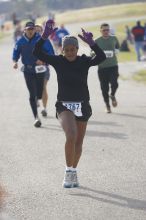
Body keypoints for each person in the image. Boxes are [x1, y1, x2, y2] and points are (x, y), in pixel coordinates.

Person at [33, 20, 106, 188]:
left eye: (73, 49)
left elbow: (101, 57)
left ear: (77, 49)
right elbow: (37, 52)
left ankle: (74, 171)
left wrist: (92, 43)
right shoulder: (58, 61)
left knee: (79, 143)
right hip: (64, 105)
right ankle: (68, 172)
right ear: (62, 50)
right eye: (67, 50)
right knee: (71, 135)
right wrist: (43, 37)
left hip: (83, 105)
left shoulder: (84, 61)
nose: (70, 53)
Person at [12, 21, 54, 127]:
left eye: (32, 29)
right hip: (28, 70)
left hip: (40, 69)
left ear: (35, 29)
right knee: (32, 94)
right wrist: (15, 62)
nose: (30, 31)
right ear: (24, 30)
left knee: (39, 93)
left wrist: (43, 60)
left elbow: (51, 53)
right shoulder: (20, 41)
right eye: (28, 29)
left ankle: (38, 98)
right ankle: (36, 117)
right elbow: (15, 53)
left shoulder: (42, 39)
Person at [94, 23, 120, 113]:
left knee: (115, 83)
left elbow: (118, 47)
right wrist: (97, 54)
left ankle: (112, 95)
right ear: (101, 31)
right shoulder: (97, 41)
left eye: (107, 30)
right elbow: (91, 52)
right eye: (104, 30)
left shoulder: (114, 38)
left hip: (113, 65)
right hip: (102, 67)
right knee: (104, 88)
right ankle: (107, 106)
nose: (106, 32)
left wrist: (116, 51)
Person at [35, 24, 55, 117]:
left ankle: (44, 108)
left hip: (44, 67)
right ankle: (35, 98)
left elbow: (51, 54)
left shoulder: (46, 40)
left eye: (39, 31)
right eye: (36, 31)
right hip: (31, 69)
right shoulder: (29, 41)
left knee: (43, 87)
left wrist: (43, 60)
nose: (37, 32)